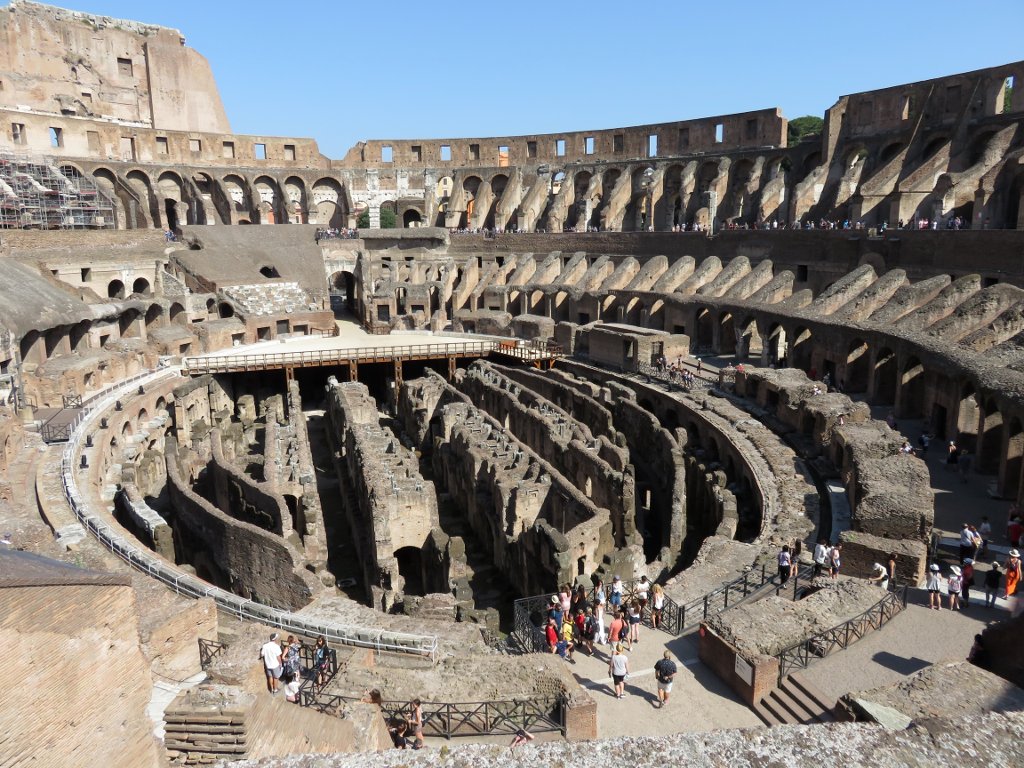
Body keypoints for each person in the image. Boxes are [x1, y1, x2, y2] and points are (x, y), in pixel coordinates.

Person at [592, 578, 607, 644]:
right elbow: (596, 593)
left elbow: (598, 615)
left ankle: (596, 639)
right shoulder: (601, 607)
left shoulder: (597, 608)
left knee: (598, 630)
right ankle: (602, 640)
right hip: (601, 619)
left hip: (598, 619)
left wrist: (595, 617)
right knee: (601, 630)